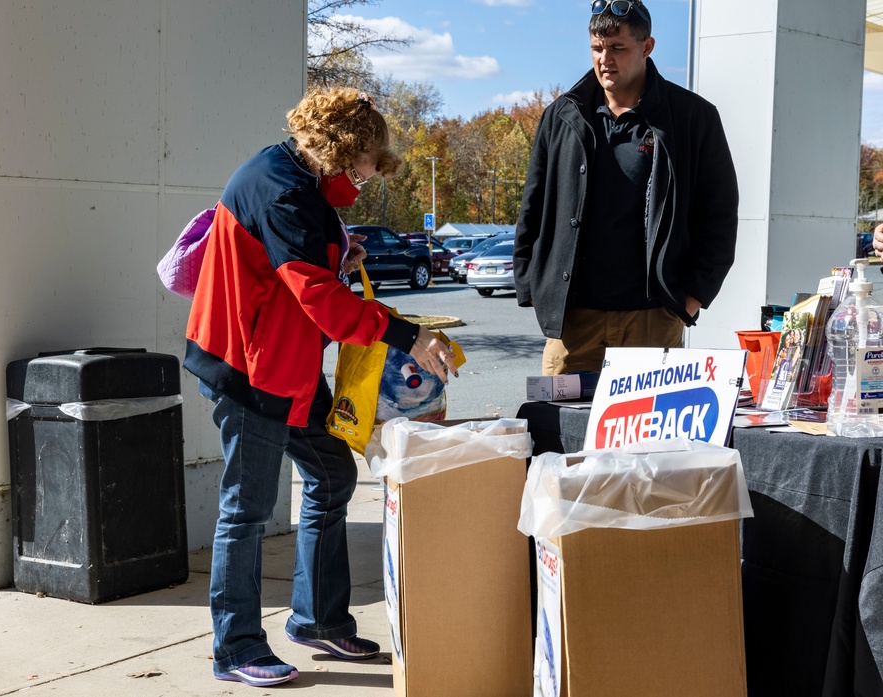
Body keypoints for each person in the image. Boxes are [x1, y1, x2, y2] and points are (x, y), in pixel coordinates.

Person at [183, 87, 460, 687]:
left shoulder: (297, 178)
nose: (368, 176)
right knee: (247, 509)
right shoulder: (281, 190)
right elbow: (325, 305)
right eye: (365, 164)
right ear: (341, 150)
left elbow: (302, 261)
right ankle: (234, 648)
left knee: (331, 475)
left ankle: (315, 620)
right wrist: (408, 335)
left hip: (287, 365)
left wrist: (342, 248)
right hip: (248, 371)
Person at [513, 0, 739, 375]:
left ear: (647, 47)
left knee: (648, 434)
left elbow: (718, 215)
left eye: (618, 48)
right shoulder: (562, 115)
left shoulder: (692, 117)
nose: (605, 59)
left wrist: (692, 298)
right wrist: (532, 287)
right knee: (562, 431)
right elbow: (533, 205)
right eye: (597, 48)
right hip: (573, 323)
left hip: (652, 318)